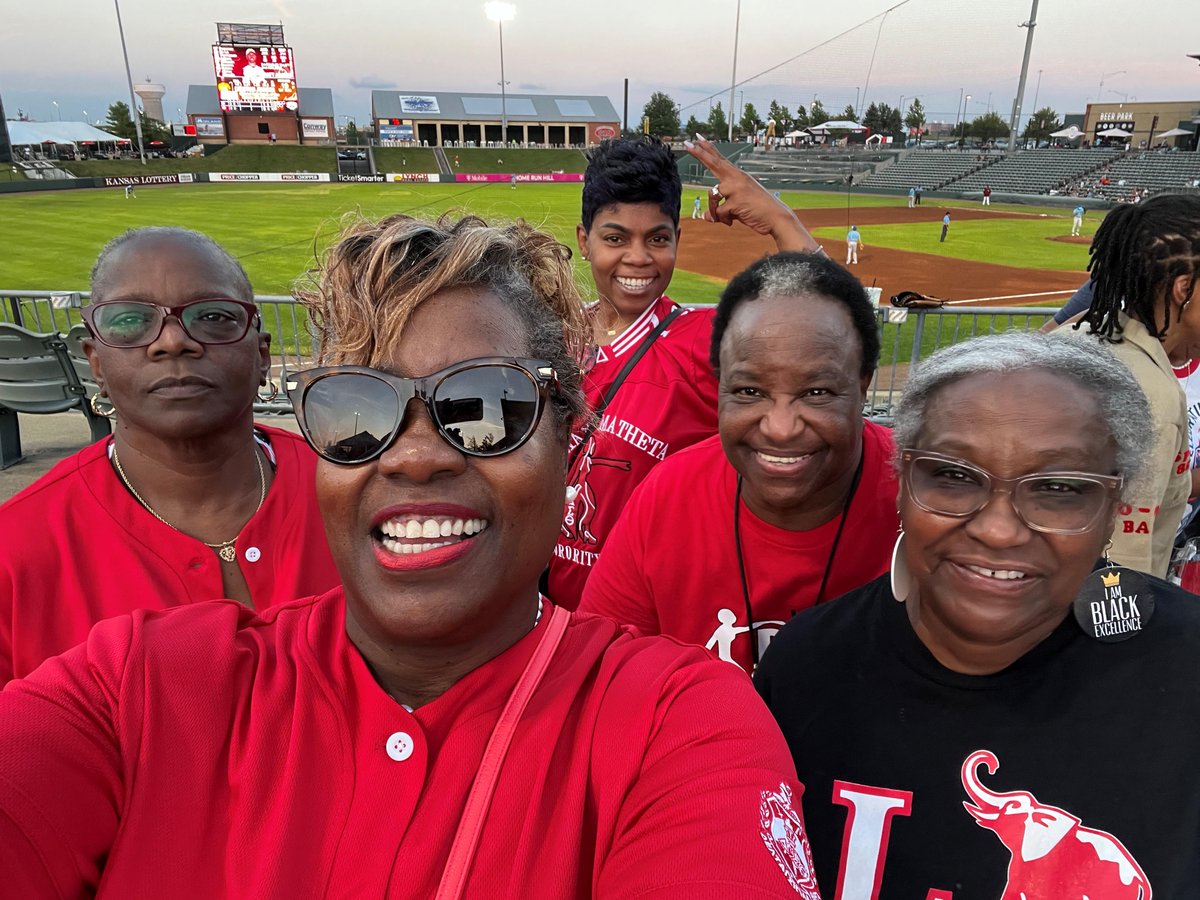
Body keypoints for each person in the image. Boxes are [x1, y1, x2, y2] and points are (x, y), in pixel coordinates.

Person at [0, 213, 821, 899]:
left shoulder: (681, 726)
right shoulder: (137, 686)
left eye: (488, 405)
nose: (415, 456)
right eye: (357, 410)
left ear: (568, 442)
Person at [757, 331, 1200, 896]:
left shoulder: (1187, 674)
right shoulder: (806, 667)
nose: (998, 530)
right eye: (954, 476)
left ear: (1114, 506)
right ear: (902, 482)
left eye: (1059, 488)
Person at [0, 227, 339, 683]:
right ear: (96, 363)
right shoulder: (14, 551)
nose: (173, 341)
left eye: (213, 316)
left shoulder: (357, 491)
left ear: (262, 355)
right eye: (129, 321)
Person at [579, 253, 899, 673]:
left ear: (862, 385)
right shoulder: (669, 496)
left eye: (817, 392)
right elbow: (601, 667)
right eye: (749, 392)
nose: (781, 429)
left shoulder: (922, 492)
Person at [550, 135, 829, 607]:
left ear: (677, 239)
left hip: (640, 615)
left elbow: (822, 334)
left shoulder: (702, 340)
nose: (638, 258)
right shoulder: (553, 336)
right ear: (584, 240)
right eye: (616, 238)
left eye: (657, 239)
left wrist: (780, 221)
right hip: (548, 606)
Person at [1073, 194, 1200, 576]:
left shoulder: (1079, 331)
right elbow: (1123, 564)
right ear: (1184, 288)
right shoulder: (1152, 398)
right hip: (1103, 601)